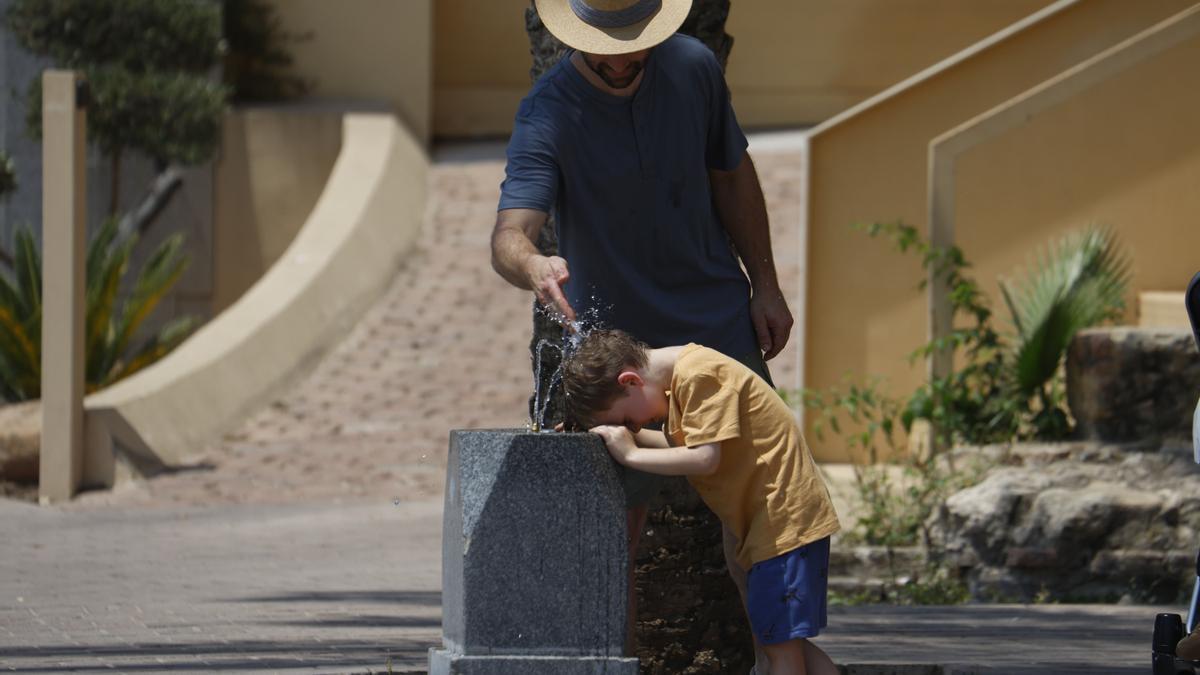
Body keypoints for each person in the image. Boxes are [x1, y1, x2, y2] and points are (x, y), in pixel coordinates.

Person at [489, 0, 793, 668]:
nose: (625, 57)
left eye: (636, 40)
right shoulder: (548, 110)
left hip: (718, 327)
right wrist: (536, 263)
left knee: (758, 530)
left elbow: (731, 174)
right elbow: (509, 234)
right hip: (618, 353)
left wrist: (765, 282)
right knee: (607, 544)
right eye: (609, 42)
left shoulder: (692, 67)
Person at [561, 329, 840, 675]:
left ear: (630, 380)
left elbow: (705, 458)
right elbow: (680, 443)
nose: (635, 424)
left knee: (779, 649)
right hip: (774, 526)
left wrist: (630, 455)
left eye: (627, 420)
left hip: (784, 524)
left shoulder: (699, 375)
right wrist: (624, 437)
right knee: (781, 641)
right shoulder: (684, 381)